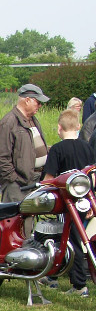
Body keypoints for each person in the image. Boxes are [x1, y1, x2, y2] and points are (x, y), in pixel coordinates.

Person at [41, 110, 96, 297]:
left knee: (66, 240)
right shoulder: (88, 148)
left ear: (59, 128)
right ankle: (54, 276)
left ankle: (79, 284)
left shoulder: (57, 149)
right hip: (84, 201)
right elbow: (92, 177)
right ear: (79, 127)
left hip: (65, 203)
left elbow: (49, 179)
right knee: (72, 239)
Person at [0, 84, 49, 202]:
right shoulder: (8, 122)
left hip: (34, 181)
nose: (40, 105)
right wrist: (15, 179)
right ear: (27, 100)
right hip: (18, 186)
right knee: (16, 218)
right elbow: (1, 157)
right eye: (38, 102)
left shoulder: (33, 120)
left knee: (30, 218)